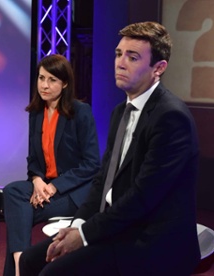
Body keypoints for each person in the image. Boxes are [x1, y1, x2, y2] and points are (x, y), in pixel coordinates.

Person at [19, 21, 201, 275]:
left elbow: (142, 198)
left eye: (133, 57)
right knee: (30, 259)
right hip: (116, 225)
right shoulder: (120, 112)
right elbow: (103, 179)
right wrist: (78, 224)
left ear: (158, 68)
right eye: (119, 54)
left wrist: (83, 235)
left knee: (53, 272)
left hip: (149, 238)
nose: (120, 62)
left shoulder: (171, 117)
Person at [3, 54, 101, 276]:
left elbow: (92, 163)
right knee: (12, 192)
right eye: (41, 78)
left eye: (52, 80)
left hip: (74, 192)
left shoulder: (80, 112)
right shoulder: (36, 113)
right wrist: (37, 180)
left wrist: (55, 186)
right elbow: (34, 160)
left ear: (65, 83)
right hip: (45, 187)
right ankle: (22, 265)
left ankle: (19, 269)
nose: (44, 85)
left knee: (18, 215)